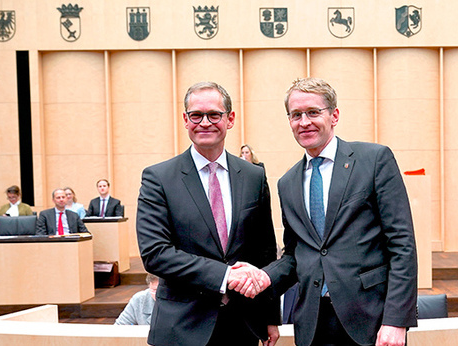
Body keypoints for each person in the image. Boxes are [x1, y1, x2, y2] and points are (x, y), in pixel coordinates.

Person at [233, 78, 418, 346]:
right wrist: (265, 276)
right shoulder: (288, 183)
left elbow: (402, 245)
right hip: (312, 325)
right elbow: (297, 254)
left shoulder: (374, 160)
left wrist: (396, 320)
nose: (304, 121)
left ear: (334, 116)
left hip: (371, 323)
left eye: (313, 112)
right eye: (296, 115)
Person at [136, 81, 280, 346]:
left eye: (214, 115)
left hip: (242, 325)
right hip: (182, 327)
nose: (205, 122)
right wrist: (225, 276)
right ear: (185, 119)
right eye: (196, 115)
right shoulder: (159, 178)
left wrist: (270, 315)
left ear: (230, 119)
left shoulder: (253, 176)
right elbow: (155, 253)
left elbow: (265, 251)